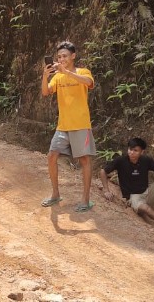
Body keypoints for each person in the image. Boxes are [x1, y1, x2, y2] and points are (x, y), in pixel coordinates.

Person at [40, 41, 97, 213]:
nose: (61, 59)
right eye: (59, 57)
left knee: (85, 160)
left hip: (81, 124)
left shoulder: (82, 71)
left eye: (65, 56)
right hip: (63, 125)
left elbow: (88, 82)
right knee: (51, 156)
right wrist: (45, 76)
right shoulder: (57, 77)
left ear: (73, 56)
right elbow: (45, 92)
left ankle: (85, 200)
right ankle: (55, 194)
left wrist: (66, 72)